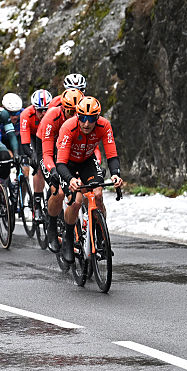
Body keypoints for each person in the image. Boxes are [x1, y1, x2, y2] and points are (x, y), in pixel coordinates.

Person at [55, 96, 123, 264]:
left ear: (97, 118)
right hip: (67, 163)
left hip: (87, 161)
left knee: (98, 193)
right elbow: (61, 163)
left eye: (91, 119)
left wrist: (115, 173)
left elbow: (112, 154)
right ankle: (69, 237)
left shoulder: (104, 125)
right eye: (83, 118)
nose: (86, 123)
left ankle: (101, 236)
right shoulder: (68, 127)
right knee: (77, 199)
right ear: (77, 116)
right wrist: (70, 179)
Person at [37, 88, 84, 249]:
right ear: (63, 108)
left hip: (67, 148)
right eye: (69, 111)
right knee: (59, 189)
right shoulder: (52, 116)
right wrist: (53, 171)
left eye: (77, 112)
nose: (73, 116)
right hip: (48, 148)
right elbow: (47, 153)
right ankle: (51, 226)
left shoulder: (83, 121)